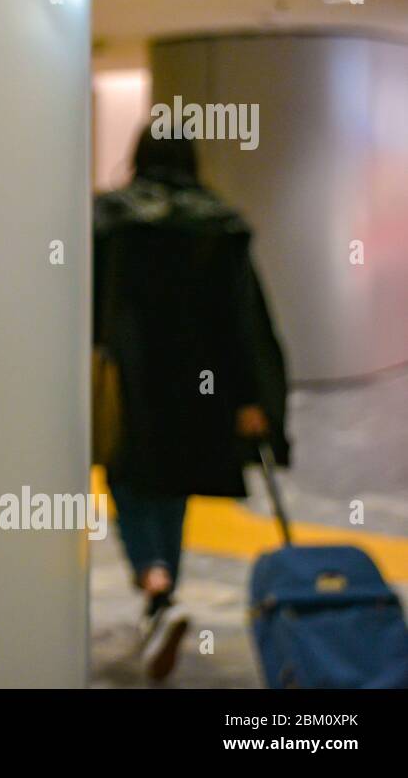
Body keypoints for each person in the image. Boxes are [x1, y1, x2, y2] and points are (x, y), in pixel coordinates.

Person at [93, 124, 289, 682]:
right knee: (173, 485)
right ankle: (165, 595)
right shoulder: (218, 221)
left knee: (128, 480)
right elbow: (243, 321)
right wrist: (252, 398)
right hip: (199, 386)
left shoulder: (110, 219)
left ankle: (154, 584)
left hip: (129, 379)